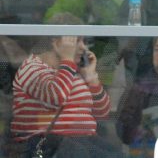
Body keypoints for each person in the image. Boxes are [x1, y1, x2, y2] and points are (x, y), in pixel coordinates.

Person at [9, 13, 120, 158]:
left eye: (84, 41)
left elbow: (101, 113)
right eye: (76, 41)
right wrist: (67, 59)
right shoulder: (32, 68)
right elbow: (56, 97)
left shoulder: (73, 71)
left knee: (115, 153)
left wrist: (91, 77)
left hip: (83, 140)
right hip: (45, 144)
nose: (83, 48)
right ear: (55, 42)